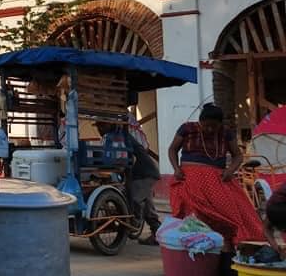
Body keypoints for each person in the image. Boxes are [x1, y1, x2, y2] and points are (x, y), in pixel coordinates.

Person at [168, 103, 265, 248]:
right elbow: (172, 149)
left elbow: (237, 155)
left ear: (220, 124)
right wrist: (176, 168)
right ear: (200, 122)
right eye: (206, 125)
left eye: (214, 126)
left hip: (219, 179)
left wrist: (230, 170)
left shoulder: (226, 133)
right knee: (195, 212)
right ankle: (197, 244)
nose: (210, 129)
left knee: (235, 211)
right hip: (189, 177)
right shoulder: (187, 128)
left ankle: (233, 243)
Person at [96, 121, 161, 245]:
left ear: (111, 125)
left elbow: (122, 158)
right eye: (98, 126)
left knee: (135, 199)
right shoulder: (115, 136)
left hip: (144, 173)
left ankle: (135, 222)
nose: (99, 129)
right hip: (140, 174)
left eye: (102, 126)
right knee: (147, 206)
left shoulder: (120, 137)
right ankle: (157, 234)